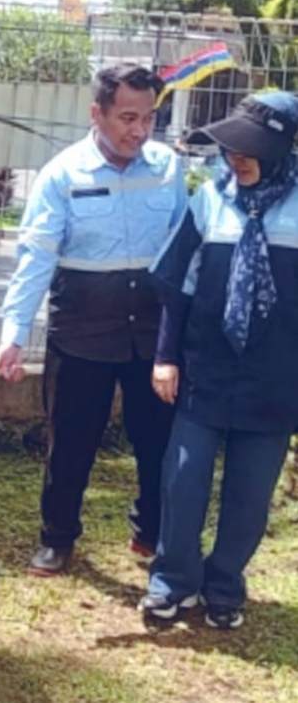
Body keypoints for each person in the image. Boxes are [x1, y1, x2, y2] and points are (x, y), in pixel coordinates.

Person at [0, 63, 188, 577]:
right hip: (81, 333)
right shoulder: (62, 174)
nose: (139, 131)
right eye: (127, 117)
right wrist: (14, 335)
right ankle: (57, 538)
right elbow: (35, 258)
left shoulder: (167, 167)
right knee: (71, 443)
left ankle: (150, 531)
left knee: (158, 441)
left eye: (149, 118)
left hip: (152, 333)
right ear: (95, 113)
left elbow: (183, 250)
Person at [138, 92, 298, 630]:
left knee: (250, 497)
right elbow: (178, 288)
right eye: (231, 146)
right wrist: (165, 356)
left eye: (251, 149)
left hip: (277, 379)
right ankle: (172, 581)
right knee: (183, 481)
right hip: (205, 370)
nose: (238, 157)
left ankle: (225, 584)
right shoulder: (210, 199)